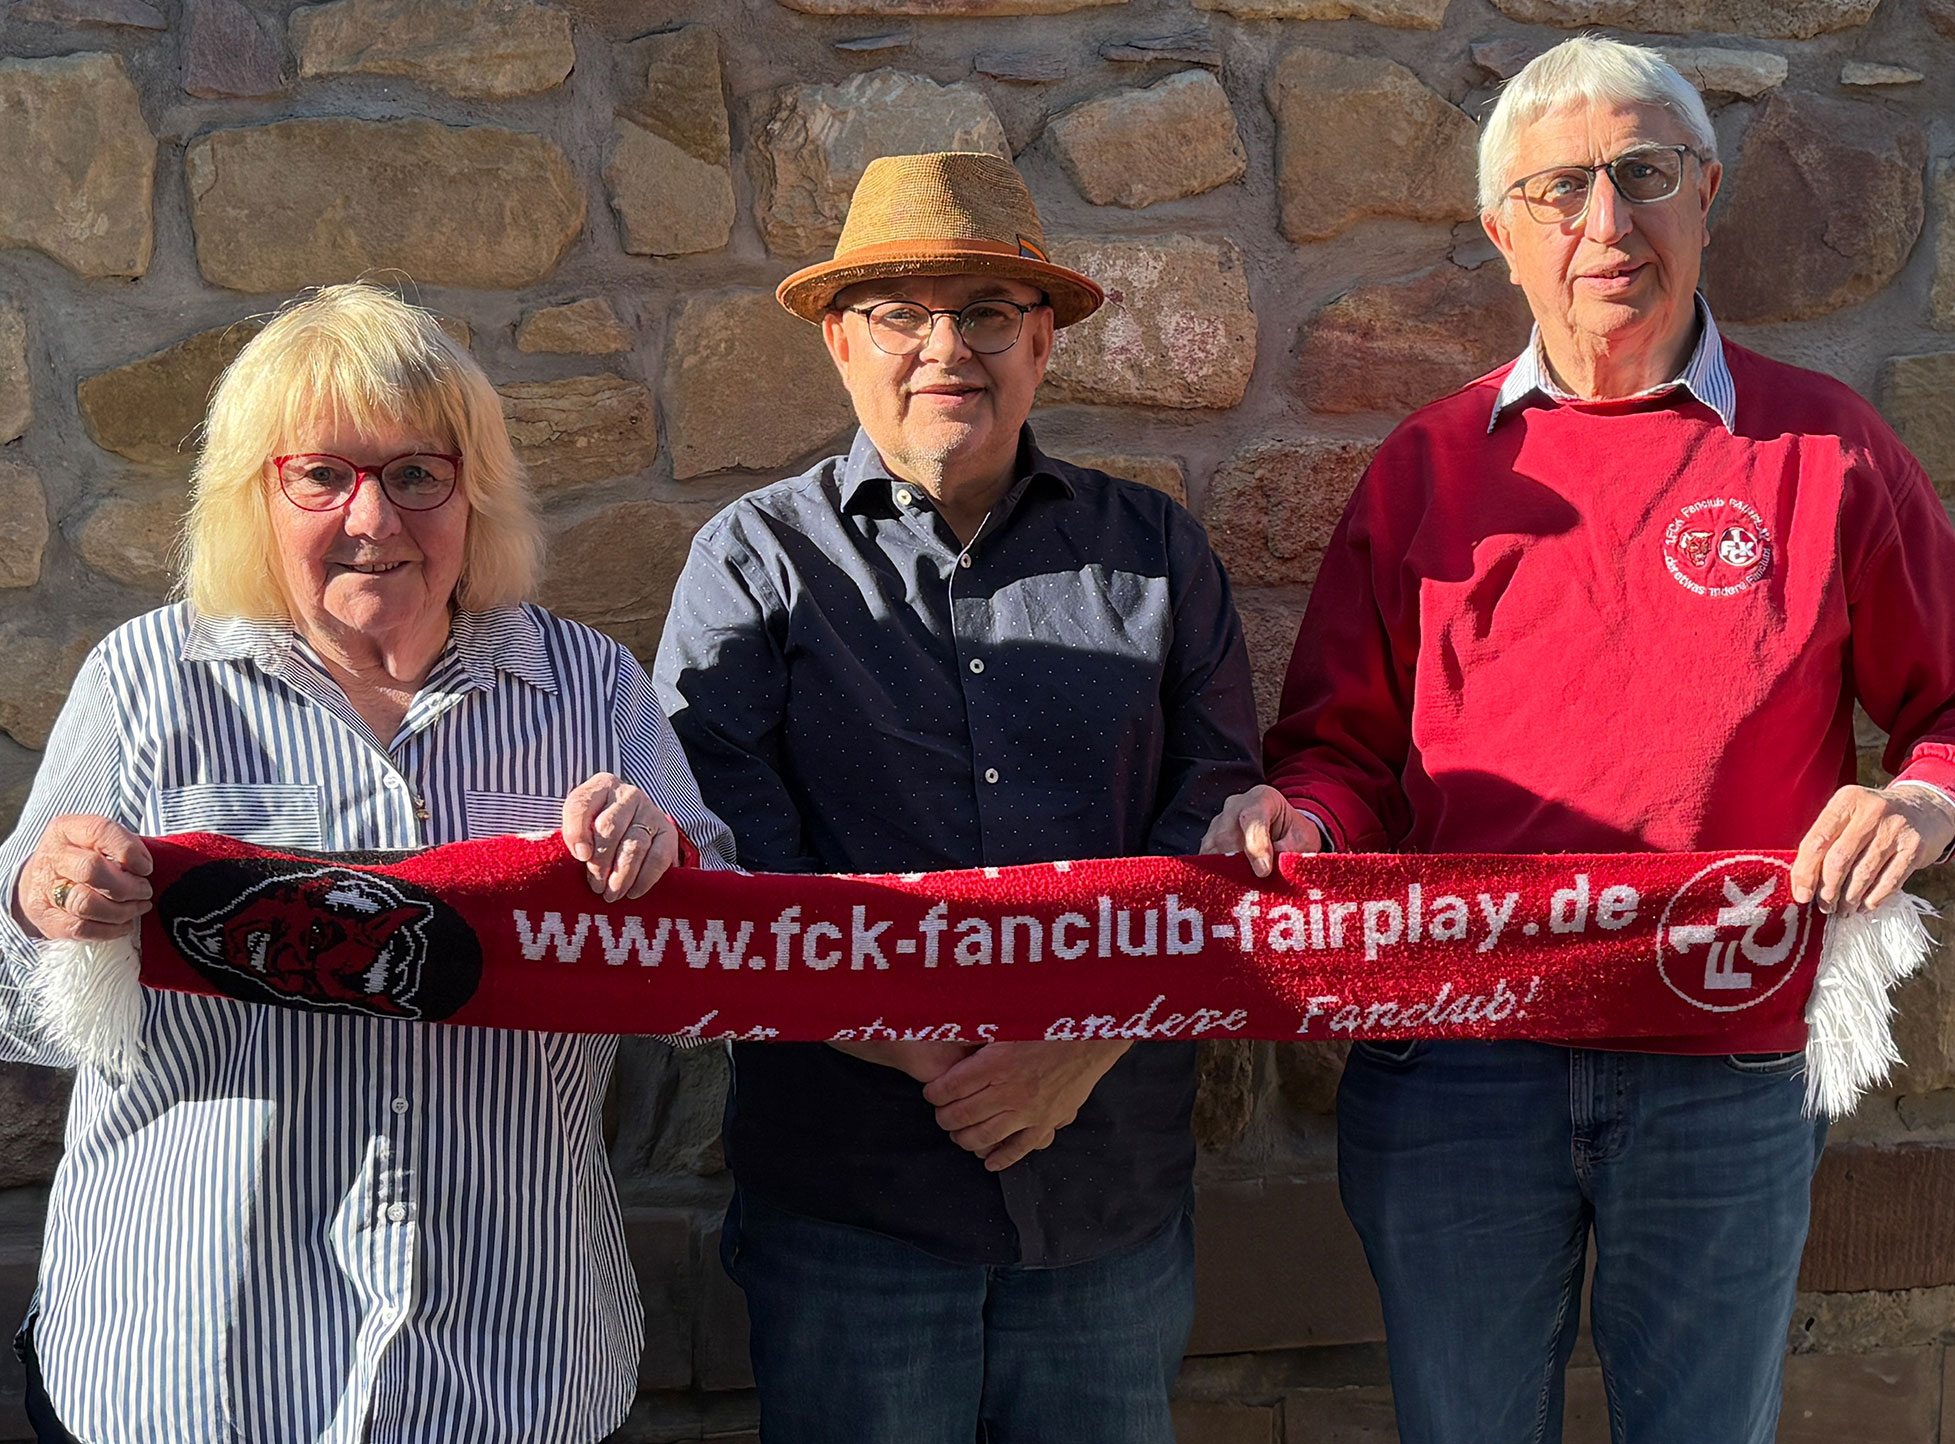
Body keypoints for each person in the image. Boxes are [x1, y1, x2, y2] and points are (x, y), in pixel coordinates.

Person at [1203, 36, 1955, 1444]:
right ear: (1502, 232)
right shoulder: (1428, 466)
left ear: (1706, 193)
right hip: (1456, 1061)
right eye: (1559, 189)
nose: (1607, 223)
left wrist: (1929, 799)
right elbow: (1343, 753)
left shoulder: (1827, 451)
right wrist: (1303, 819)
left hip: (1724, 1061)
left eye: (1643, 174)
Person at [0, 283, 733, 1443]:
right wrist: (50, 902)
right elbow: (14, 1001)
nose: (373, 517)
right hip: (195, 1365)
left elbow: (720, 964)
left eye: (415, 473)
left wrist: (665, 861)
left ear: (472, 488)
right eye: (322, 475)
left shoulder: (588, 687)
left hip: (503, 1364)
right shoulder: (147, 684)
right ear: (255, 493)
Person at [656, 151, 1262, 1443]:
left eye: (985, 311)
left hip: (1107, 1188)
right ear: (840, 343)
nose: (946, 349)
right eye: (900, 314)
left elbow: (1212, 819)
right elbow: (729, 863)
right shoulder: (753, 562)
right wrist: (920, 1047)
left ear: (1041, 341)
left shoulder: (1153, 552)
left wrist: (1074, 1046)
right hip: (852, 1197)